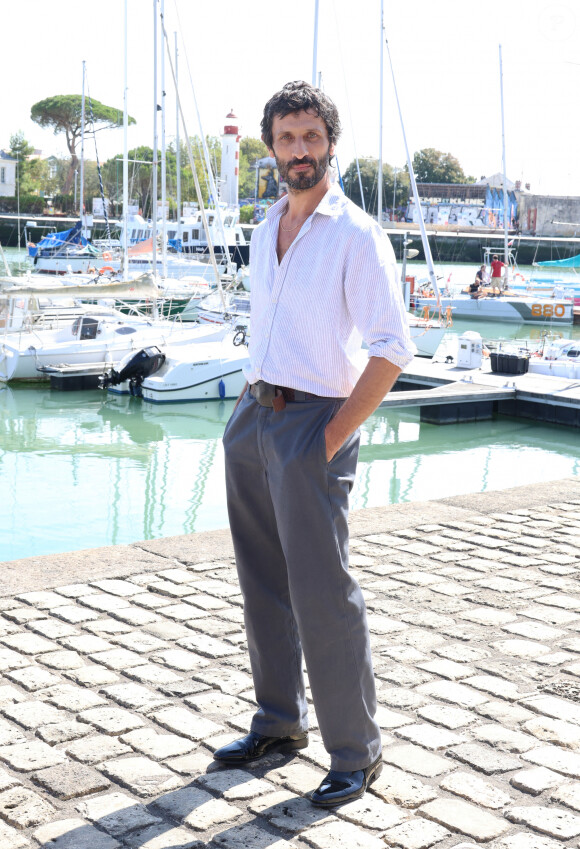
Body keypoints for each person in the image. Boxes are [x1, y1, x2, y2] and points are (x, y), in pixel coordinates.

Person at [213, 81, 416, 807]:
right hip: (252, 417)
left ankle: (357, 752)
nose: (299, 150)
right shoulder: (268, 221)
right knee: (262, 583)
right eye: (287, 138)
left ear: (331, 142)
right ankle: (278, 724)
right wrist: (250, 413)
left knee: (323, 591)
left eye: (311, 137)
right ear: (271, 147)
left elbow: (392, 350)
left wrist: (328, 438)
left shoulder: (356, 234)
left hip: (311, 424)